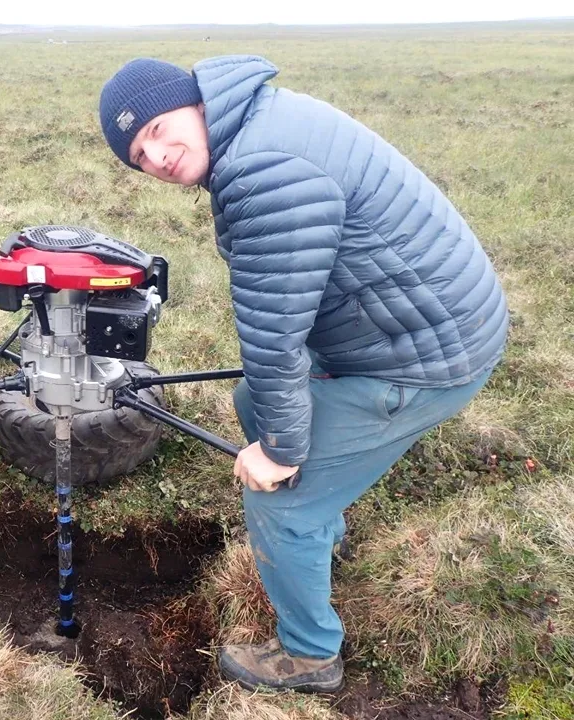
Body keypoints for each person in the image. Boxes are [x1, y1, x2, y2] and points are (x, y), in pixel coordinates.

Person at [98, 55, 508, 692]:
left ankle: (310, 655)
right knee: (252, 400)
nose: (157, 157)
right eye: (139, 156)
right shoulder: (260, 123)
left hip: (425, 358)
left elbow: (275, 333)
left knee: (277, 504)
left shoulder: (265, 169)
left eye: (155, 130)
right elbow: (279, 321)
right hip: (405, 321)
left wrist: (283, 455)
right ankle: (323, 531)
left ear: (193, 102)